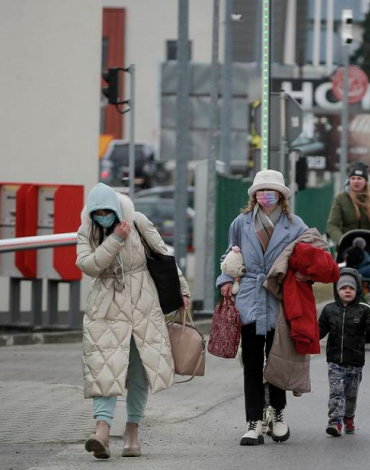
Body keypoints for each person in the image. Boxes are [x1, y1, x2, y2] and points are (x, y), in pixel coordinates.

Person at [76, 183, 190, 459]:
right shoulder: (86, 230)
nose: (103, 216)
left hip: (143, 305)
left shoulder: (137, 221)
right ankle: (102, 430)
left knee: (139, 371)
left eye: (107, 211)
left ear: (117, 209)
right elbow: (89, 266)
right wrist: (115, 239)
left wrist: (182, 290)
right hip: (105, 308)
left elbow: (163, 256)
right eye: (97, 213)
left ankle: (132, 431)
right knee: (104, 365)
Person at [217, 170, 308, 446]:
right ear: (253, 195)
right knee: (252, 362)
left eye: (270, 190)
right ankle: (253, 421)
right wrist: (225, 280)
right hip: (249, 297)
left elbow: (308, 258)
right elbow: (230, 254)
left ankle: (278, 414)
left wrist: (301, 276)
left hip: (280, 297)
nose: (264, 195)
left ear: (281, 195)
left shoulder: (295, 225)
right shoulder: (241, 222)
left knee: (278, 359)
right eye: (260, 190)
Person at [319, 268, 370, 437]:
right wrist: (307, 334)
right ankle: (335, 421)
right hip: (334, 360)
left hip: (355, 361)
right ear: (337, 290)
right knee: (336, 392)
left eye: (351, 288)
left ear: (357, 290)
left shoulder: (364, 309)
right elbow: (319, 332)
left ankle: (349, 417)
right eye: (343, 288)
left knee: (350, 394)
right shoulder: (329, 310)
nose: (347, 291)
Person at [327, 162, 370, 244]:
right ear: (349, 180)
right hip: (347, 245)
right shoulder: (341, 198)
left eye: (359, 178)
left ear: (366, 181)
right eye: (353, 178)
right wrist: (342, 240)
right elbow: (332, 225)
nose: (356, 181)